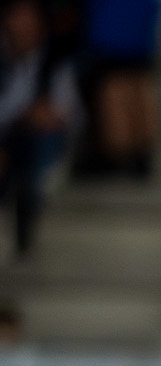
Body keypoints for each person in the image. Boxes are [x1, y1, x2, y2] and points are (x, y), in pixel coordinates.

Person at [0, 0, 78, 254]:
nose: (21, 25)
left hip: (41, 142)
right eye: (15, 18)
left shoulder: (54, 63)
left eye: (28, 18)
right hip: (7, 139)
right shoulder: (6, 64)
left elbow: (63, 113)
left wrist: (32, 117)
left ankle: (29, 197)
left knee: (35, 140)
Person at [83, 0, 160, 177]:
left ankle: (120, 152)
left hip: (111, 36)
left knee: (116, 87)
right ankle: (137, 151)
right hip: (134, 32)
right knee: (134, 84)